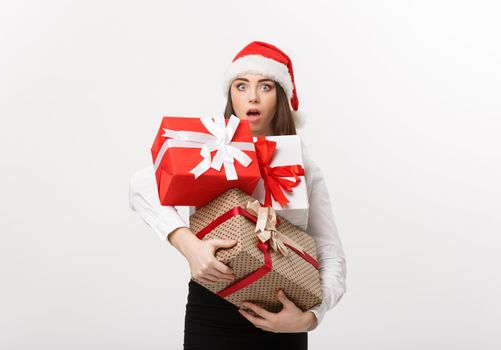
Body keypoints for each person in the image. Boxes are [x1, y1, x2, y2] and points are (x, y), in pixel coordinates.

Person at [128, 41, 347, 349]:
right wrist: (189, 245)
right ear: (231, 94)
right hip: (212, 309)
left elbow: (329, 250)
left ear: (280, 96)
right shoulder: (211, 148)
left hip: (283, 316)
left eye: (265, 86)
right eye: (241, 86)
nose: (252, 97)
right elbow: (141, 185)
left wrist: (310, 317)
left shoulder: (303, 164)